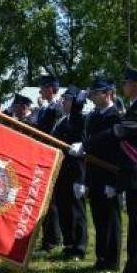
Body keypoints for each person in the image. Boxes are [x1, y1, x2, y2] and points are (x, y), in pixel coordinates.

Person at [71, 66, 137, 273]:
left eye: (127, 82)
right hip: (134, 176)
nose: (124, 86)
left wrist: (86, 145)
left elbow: (121, 130)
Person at [85, 76, 123, 272]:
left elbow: (116, 151)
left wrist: (113, 182)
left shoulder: (114, 116)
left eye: (96, 92)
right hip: (94, 173)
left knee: (111, 220)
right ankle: (101, 257)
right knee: (99, 218)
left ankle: (112, 260)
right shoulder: (94, 115)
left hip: (108, 173)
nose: (92, 95)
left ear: (107, 93)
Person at [52, 86, 89, 260]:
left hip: (75, 171)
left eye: (67, 99)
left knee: (77, 211)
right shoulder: (62, 120)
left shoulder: (79, 119)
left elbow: (83, 152)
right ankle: (68, 244)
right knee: (64, 209)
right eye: (63, 98)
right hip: (62, 170)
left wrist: (81, 179)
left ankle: (79, 247)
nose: (63, 101)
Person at [34, 74, 64, 253]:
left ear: (51, 88)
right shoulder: (46, 108)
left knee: (52, 203)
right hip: (43, 156)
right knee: (46, 201)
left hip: (52, 157)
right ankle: (48, 239)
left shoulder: (57, 107)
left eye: (43, 87)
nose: (40, 91)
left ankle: (52, 241)